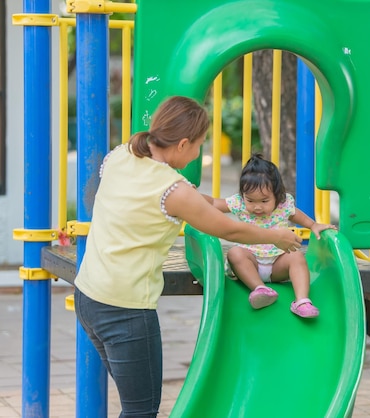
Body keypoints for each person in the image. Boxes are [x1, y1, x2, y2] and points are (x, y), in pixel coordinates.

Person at [73, 96, 302, 418]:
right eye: (199, 145)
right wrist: (276, 236)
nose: (199, 152)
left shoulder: (122, 154)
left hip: (88, 295)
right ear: (182, 144)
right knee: (140, 411)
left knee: (135, 401)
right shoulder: (174, 189)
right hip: (125, 308)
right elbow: (230, 231)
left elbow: (192, 203)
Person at [212, 153, 337, 319]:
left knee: (296, 256)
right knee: (235, 253)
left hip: (278, 265)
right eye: (251, 200)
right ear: (243, 196)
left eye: (264, 201)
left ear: (277, 196)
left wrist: (313, 225)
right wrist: (191, 197)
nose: (257, 207)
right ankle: (260, 289)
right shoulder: (239, 203)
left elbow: (297, 215)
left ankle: (302, 301)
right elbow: (214, 203)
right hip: (252, 264)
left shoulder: (283, 205)